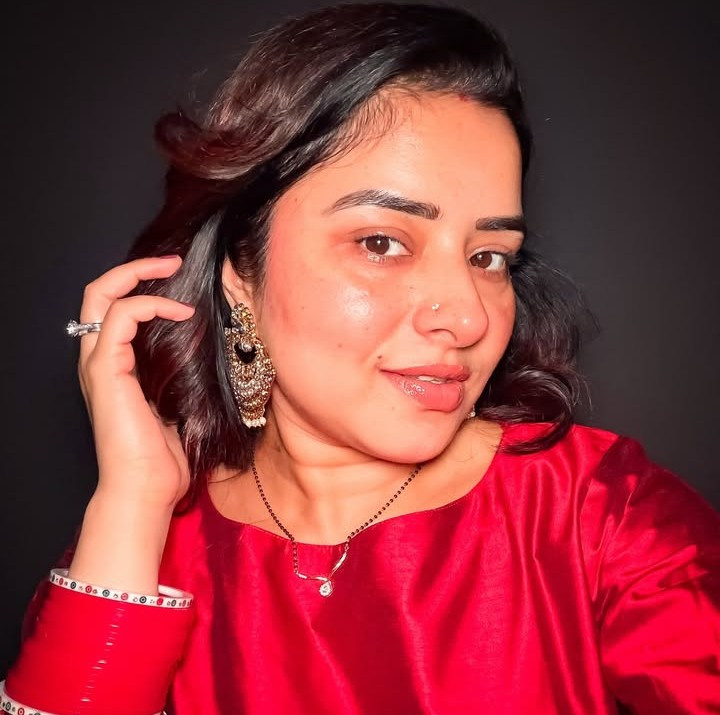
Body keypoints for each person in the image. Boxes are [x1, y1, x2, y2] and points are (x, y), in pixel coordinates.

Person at [2, 3, 719, 713]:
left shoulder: (600, 514)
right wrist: (132, 500)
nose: (468, 316)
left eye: (489, 256)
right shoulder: (148, 537)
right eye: (382, 243)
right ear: (240, 272)